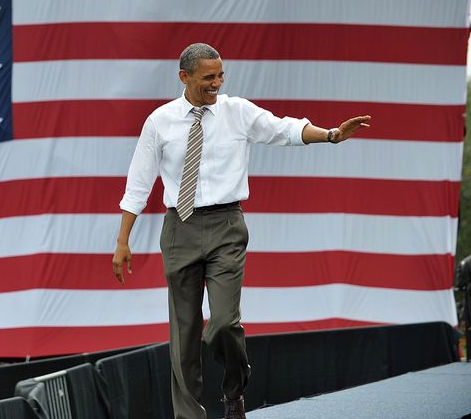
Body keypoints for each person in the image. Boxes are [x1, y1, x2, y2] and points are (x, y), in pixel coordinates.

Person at [112, 43, 371, 419]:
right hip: (179, 229)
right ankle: (190, 415)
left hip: (226, 227)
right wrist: (123, 241)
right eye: (208, 77)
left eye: (220, 75)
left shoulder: (237, 111)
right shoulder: (160, 121)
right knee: (183, 333)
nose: (216, 83)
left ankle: (234, 389)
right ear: (184, 77)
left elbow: (285, 129)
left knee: (221, 325)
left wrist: (330, 134)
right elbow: (137, 184)